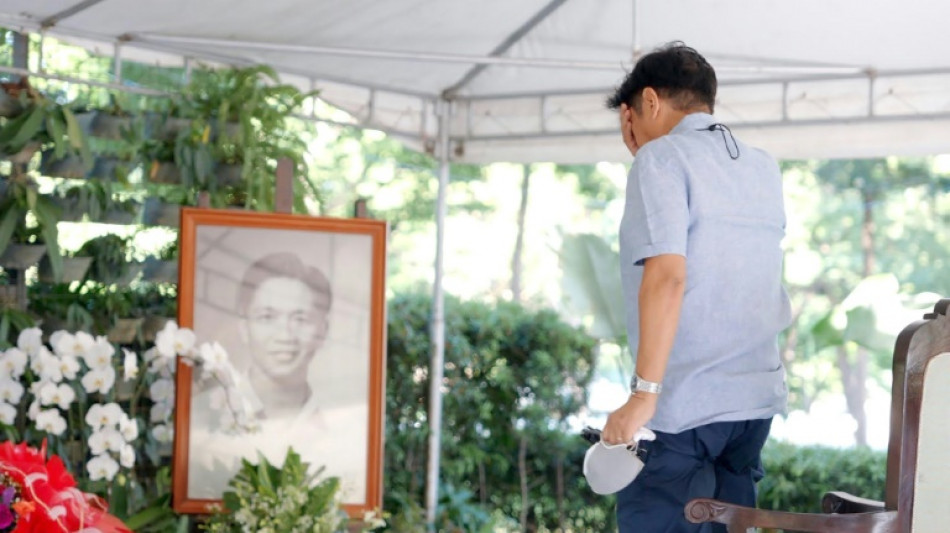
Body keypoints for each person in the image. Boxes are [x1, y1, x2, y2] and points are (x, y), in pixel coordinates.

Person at [600, 42, 792, 532]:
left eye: (629, 119)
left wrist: (643, 395)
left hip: (682, 412)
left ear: (648, 101)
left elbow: (667, 275)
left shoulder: (661, 159)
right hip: (752, 407)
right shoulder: (761, 167)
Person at [187, 251, 367, 502]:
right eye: (267, 317)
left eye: (300, 318)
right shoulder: (202, 418)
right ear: (244, 328)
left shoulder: (349, 431)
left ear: (323, 331)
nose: (284, 335)